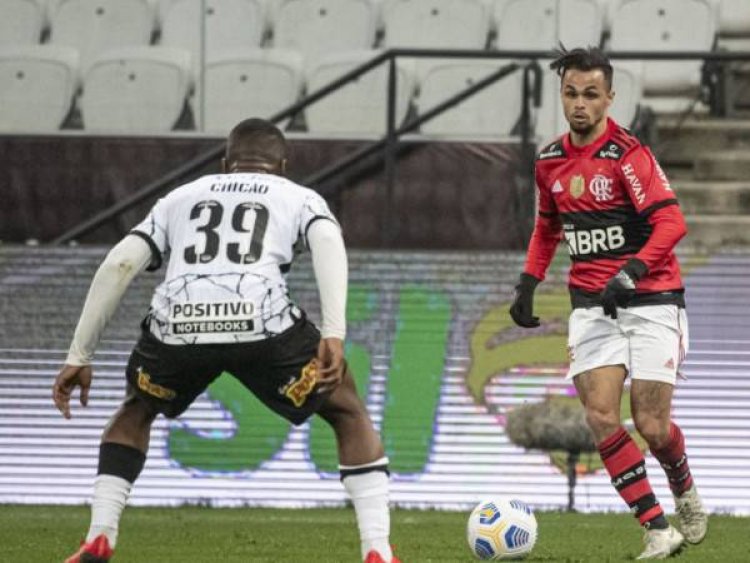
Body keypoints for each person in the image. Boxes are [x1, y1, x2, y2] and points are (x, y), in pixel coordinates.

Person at [53, 118, 399, 563]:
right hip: (262, 324)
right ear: (282, 165)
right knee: (347, 410)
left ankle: (99, 537)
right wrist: (333, 332)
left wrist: (79, 354)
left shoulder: (179, 198)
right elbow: (328, 240)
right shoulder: (298, 196)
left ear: (224, 163)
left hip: (177, 326)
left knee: (135, 409)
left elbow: (119, 264)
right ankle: (377, 551)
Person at [509, 47, 708, 559]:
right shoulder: (549, 161)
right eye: (571, 93)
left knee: (652, 427)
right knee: (601, 417)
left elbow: (672, 223)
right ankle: (656, 528)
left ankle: (682, 485)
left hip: (652, 298)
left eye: (591, 95)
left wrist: (632, 271)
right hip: (590, 306)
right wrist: (528, 283)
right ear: (562, 95)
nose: (580, 104)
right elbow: (548, 228)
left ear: (609, 98)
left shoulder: (628, 155)